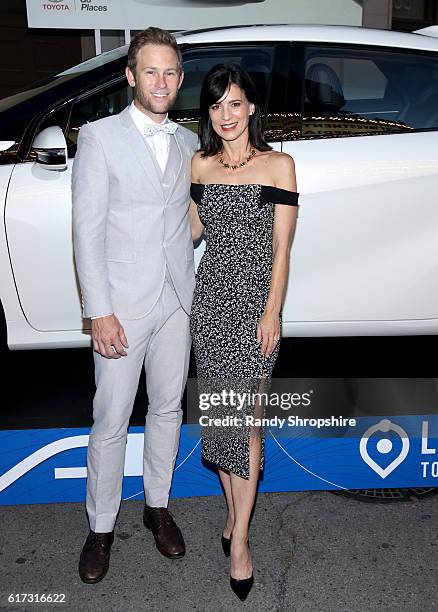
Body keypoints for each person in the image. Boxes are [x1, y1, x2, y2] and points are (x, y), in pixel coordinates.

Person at [72, 27, 198, 584]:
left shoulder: (192, 141)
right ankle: (100, 529)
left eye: (170, 71)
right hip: (121, 305)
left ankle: (157, 507)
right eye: (151, 71)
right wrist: (98, 310)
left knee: (168, 408)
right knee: (112, 419)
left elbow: (182, 222)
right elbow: (86, 231)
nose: (162, 81)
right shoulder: (99, 137)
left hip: (177, 297)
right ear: (130, 76)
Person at [189, 63, 299, 601]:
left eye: (235, 104)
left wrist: (273, 312)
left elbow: (282, 250)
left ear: (251, 106)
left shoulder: (279, 165)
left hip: (255, 308)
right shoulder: (201, 164)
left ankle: (241, 543)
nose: (226, 116)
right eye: (216, 106)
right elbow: (186, 231)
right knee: (222, 424)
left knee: (247, 424)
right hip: (210, 307)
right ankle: (233, 515)